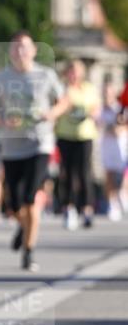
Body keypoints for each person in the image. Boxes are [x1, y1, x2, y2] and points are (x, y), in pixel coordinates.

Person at [0, 31, 67, 272]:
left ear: (33, 50)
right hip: (11, 146)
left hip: (39, 142)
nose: (20, 52)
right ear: (10, 52)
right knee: (14, 205)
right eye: (16, 48)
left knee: (31, 199)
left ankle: (28, 253)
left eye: (25, 47)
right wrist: (1, 121)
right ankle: (23, 225)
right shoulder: (1, 78)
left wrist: (51, 114)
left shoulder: (46, 75)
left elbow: (63, 100)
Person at [56, 60, 100, 229]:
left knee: (84, 173)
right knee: (66, 172)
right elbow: (58, 106)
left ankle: (87, 209)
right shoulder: (63, 88)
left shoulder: (89, 88)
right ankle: (68, 207)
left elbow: (95, 109)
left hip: (84, 135)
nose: (73, 75)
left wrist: (86, 111)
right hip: (65, 135)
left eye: (76, 71)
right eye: (71, 71)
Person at [98, 78, 128, 221]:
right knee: (109, 175)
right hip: (107, 146)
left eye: (109, 92)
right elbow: (98, 125)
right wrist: (109, 128)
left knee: (123, 176)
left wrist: (119, 128)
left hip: (121, 146)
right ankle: (112, 203)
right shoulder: (100, 109)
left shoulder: (120, 108)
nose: (107, 95)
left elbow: (124, 125)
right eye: (105, 92)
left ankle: (122, 195)